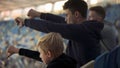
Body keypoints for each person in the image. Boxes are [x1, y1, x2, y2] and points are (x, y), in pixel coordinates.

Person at [15, 0, 104, 68]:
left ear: (76, 14)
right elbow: (60, 21)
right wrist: (39, 14)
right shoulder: (82, 29)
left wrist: (26, 22)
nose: (65, 19)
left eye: (67, 15)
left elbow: (53, 27)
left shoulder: (82, 31)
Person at [7, 32, 77, 68]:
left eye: (41, 53)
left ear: (49, 54)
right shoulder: (66, 59)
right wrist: (17, 50)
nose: (39, 56)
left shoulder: (53, 66)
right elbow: (37, 55)